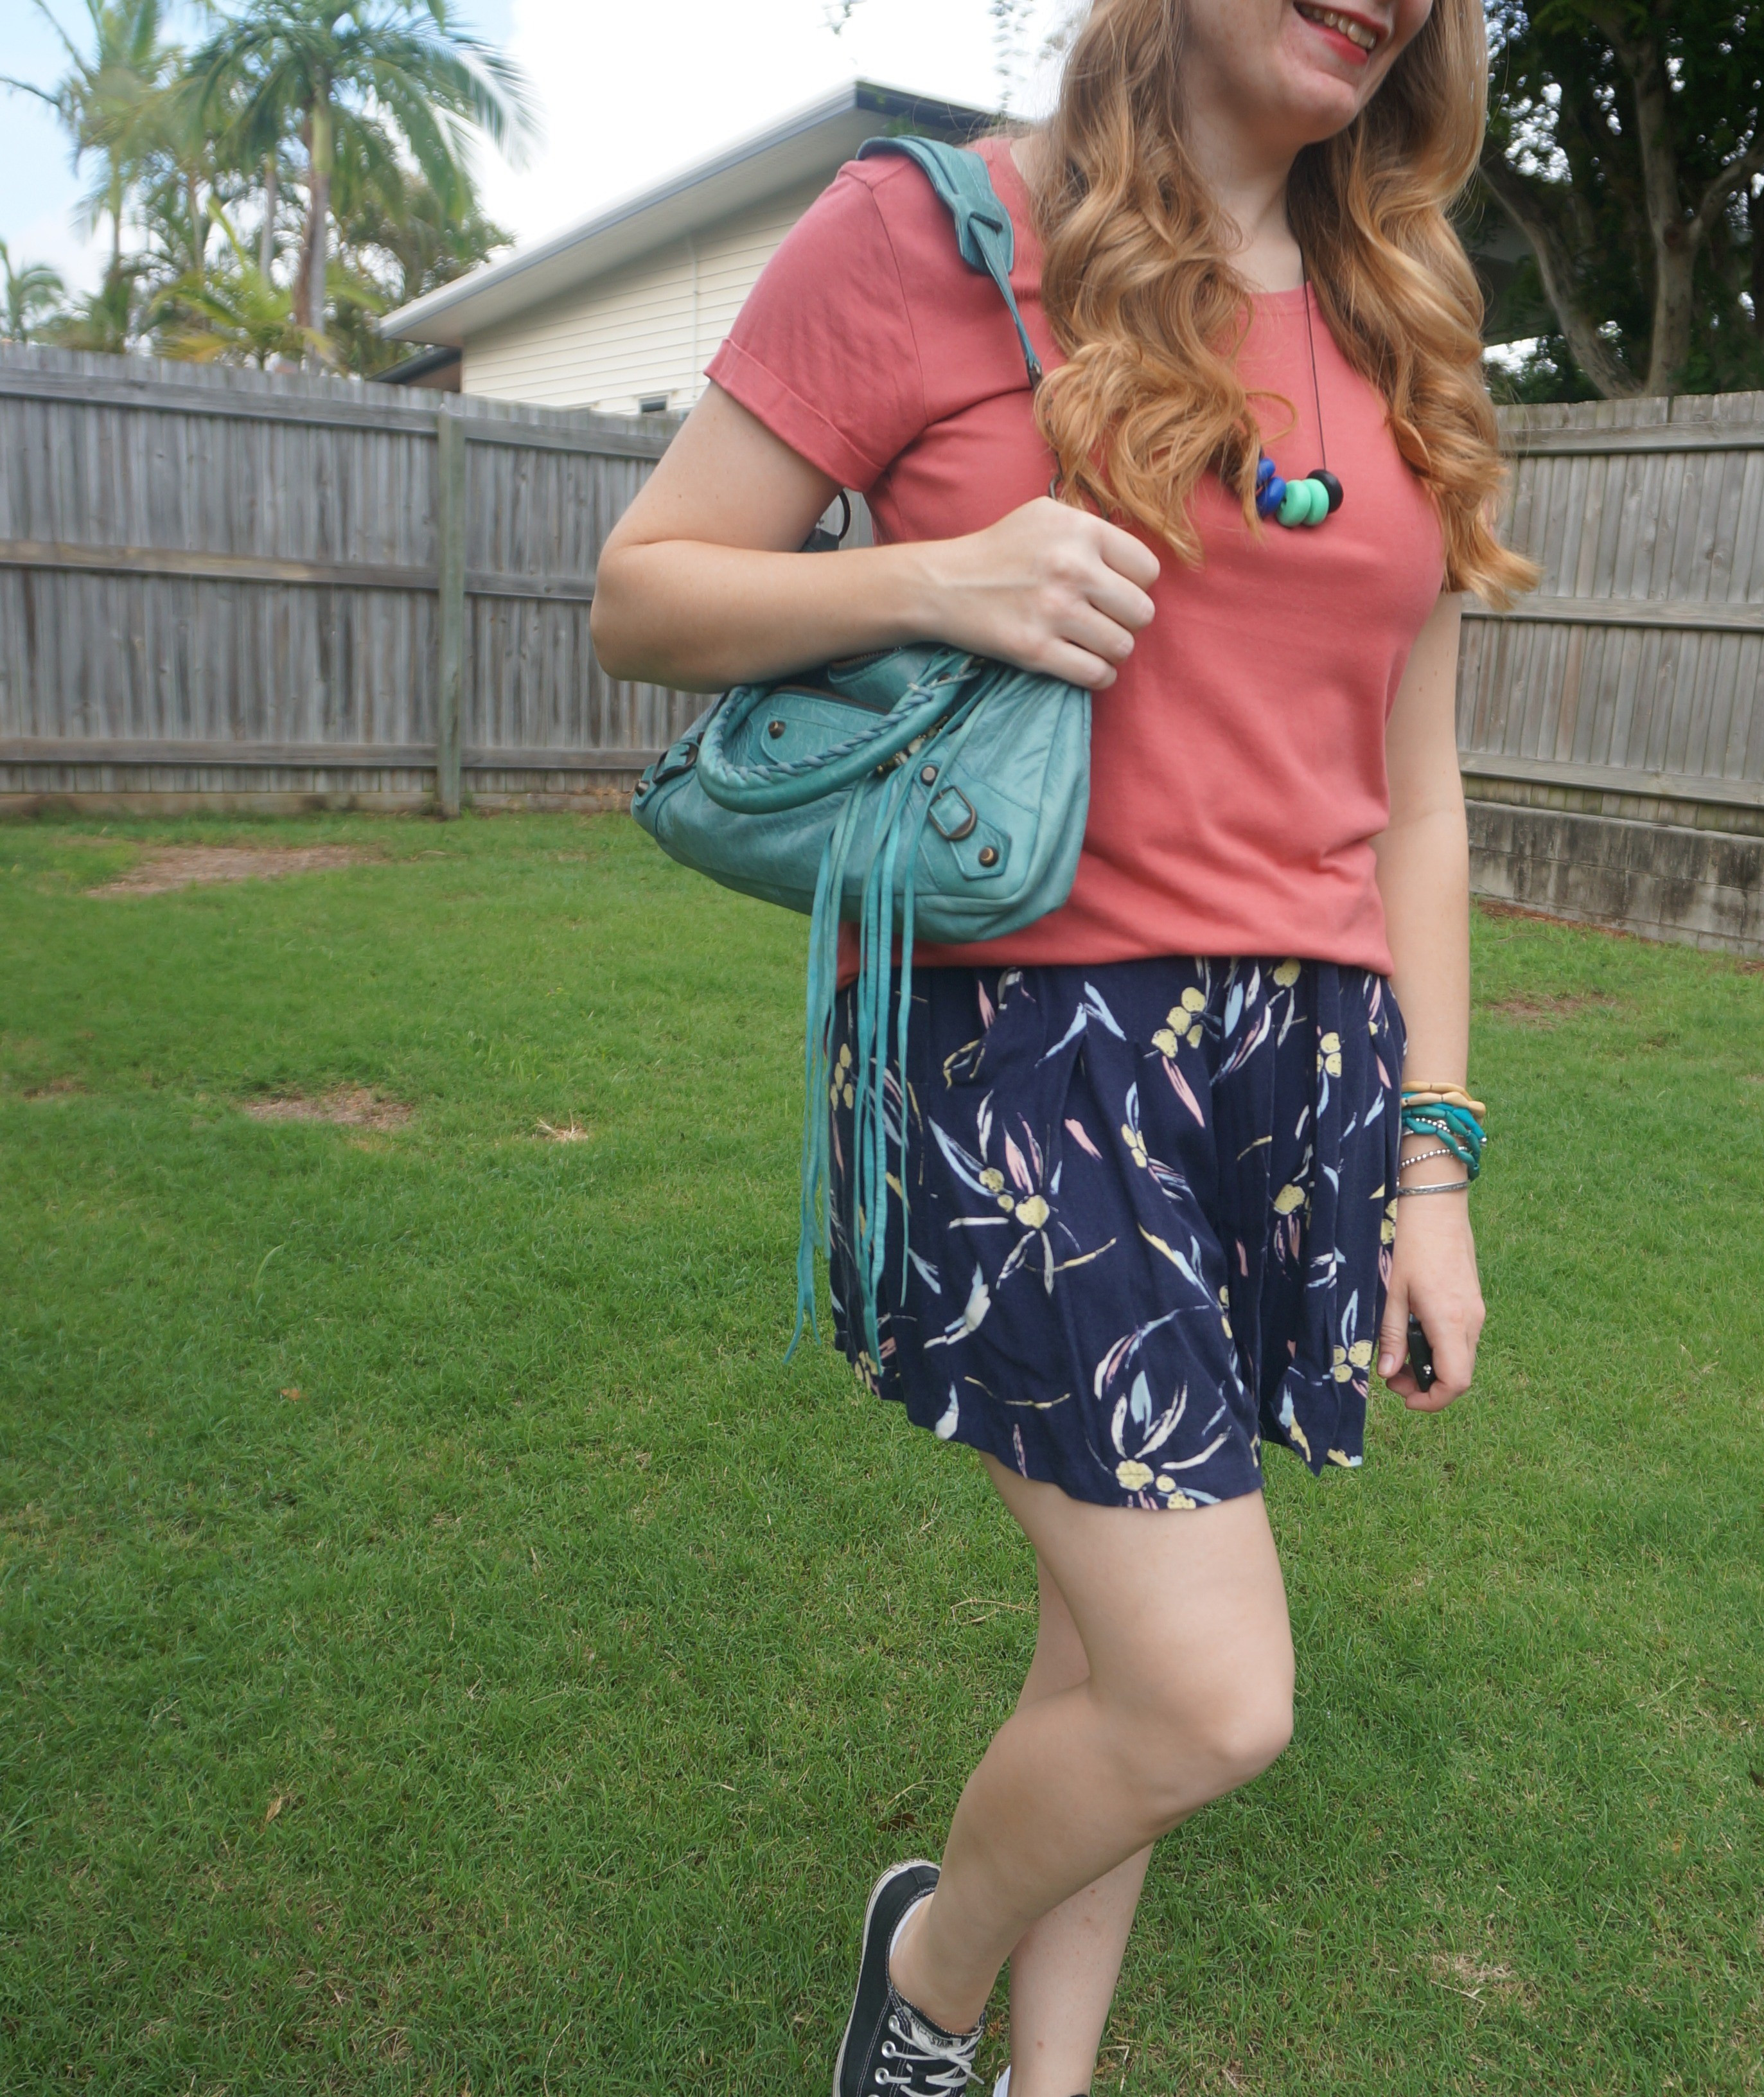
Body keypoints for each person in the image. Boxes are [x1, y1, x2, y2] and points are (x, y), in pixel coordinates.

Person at [592, 1, 1535, 2088]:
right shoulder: (927, 230)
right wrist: (944, 580)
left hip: (1298, 1064)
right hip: (1032, 1058)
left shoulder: (1406, 310)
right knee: (1208, 1694)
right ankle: (924, 1977)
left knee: (1106, 1650)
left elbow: (1423, 797)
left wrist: (1434, 1167)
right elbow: (642, 595)